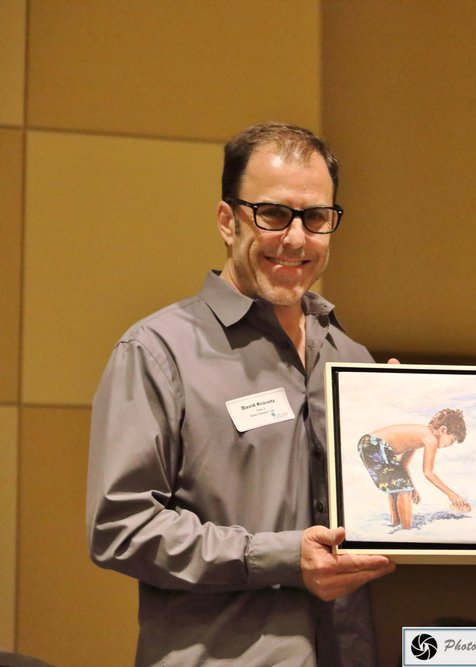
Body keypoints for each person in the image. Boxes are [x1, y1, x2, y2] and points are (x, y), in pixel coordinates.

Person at [86, 122, 396, 666]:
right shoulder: (159, 351)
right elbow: (121, 527)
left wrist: (401, 420)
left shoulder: (353, 361)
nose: (295, 238)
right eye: (273, 214)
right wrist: (279, 556)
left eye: (316, 218)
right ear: (228, 220)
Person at [358, 407, 471, 530]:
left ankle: (396, 524)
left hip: (369, 443)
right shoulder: (431, 439)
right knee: (403, 488)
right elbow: (428, 472)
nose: (450, 445)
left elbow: (404, 464)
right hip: (375, 444)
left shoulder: (418, 437)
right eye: (452, 440)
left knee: (397, 487)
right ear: (443, 430)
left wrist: (412, 488)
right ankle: (406, 531)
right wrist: (451, 494)